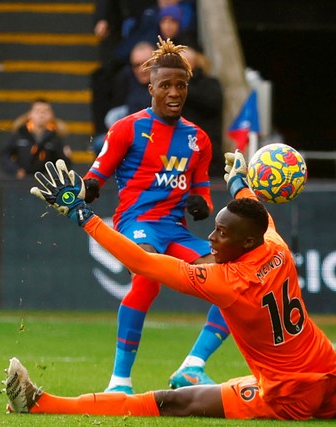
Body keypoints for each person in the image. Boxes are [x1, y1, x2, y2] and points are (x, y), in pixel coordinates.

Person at [8, 154, 336, 425]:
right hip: (327, 371)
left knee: (174, 402)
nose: (210, 238)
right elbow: (258, 215)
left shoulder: (225, 282)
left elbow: (140, 261)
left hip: (285, 393)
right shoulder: (275, 248)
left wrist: (82, 215)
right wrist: (240, 183)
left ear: (243, 241)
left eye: (220, 234)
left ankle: (43, 403)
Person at [82, 37, 230, 394]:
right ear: (150, 88)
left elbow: (203, 194)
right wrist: (83, 191)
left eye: (181, 85)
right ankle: (119, 382)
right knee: (147, 276)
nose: (174, 92)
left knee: (235, 283)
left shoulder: (198, 139)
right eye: (165, 85)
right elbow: (95, 177)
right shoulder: (127, 129)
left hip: (175, 231)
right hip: (137, 225)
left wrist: (201, 204)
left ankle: (193, 366)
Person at [91, 41, 154, 154]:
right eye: (136, 65)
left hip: (157, 135)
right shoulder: (125, 80)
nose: (141, 69)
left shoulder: (166, 84)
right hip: (130, 134)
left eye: (146, 64)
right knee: (101, 143)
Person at [0, 99, 72, 179]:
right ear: (30, 114)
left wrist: (53, 176)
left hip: (47, 182)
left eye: (45, 111)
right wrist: (15, 170)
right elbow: (4, 154)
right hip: (22, 180)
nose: (41, 114)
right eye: (38, 111)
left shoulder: (57, 137)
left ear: (51, 115)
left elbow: (64, 161)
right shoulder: (20, 134)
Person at [181, 46, 223, 176]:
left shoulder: (209, 85)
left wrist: (183, 85)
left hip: (207, 155)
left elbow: (211, 103)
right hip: (178, 154)